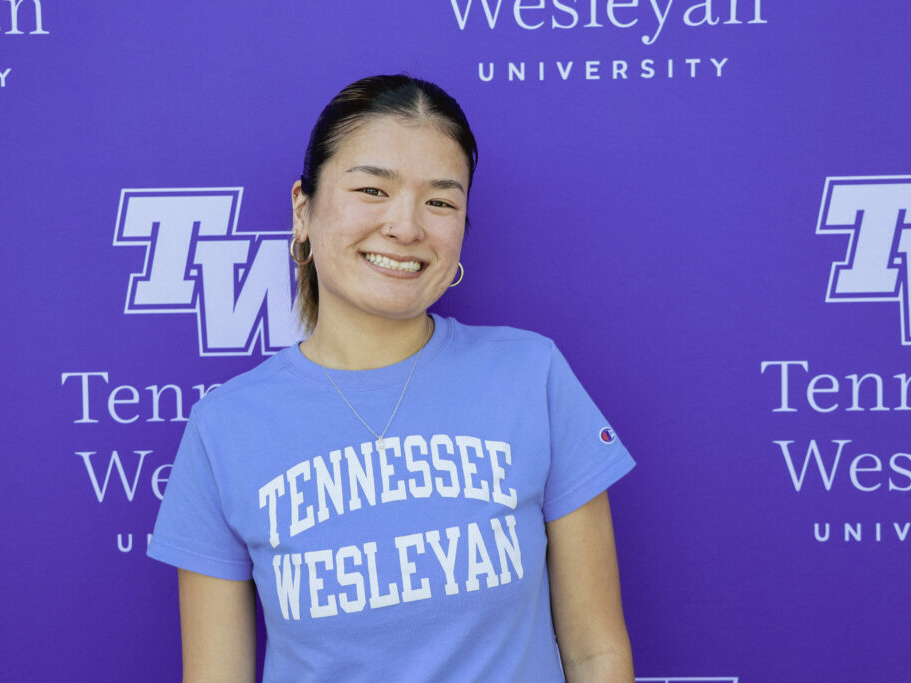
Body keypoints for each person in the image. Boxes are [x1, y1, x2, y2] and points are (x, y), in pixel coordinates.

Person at [147, 74, 636, 682]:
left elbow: (596, 653)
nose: (406, 227)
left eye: (440, 201)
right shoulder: (225, 427)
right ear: (303, 208)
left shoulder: (531, 376)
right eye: (373, 189)